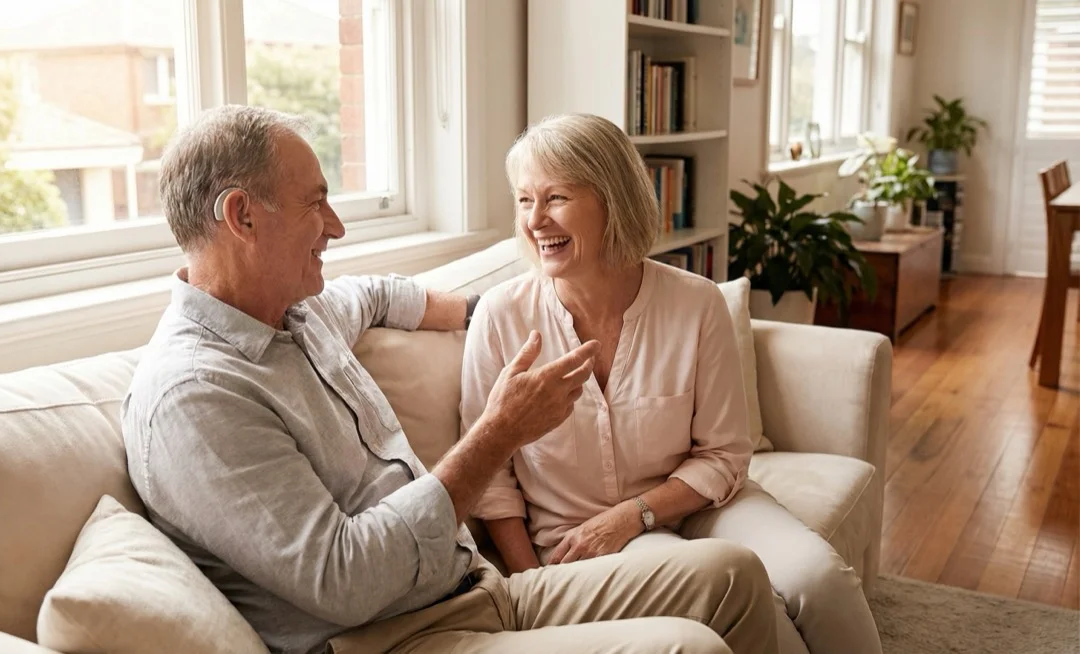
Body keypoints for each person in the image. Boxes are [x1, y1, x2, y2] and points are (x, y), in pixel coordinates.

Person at [120, 105, 779, 654]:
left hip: (475, 590)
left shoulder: (299, 314)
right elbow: (346, 582)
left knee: (734, 575)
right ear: (242, 216)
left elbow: (376, 294)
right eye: (316, 204)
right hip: (398, 637)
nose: (336, 227)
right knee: (691, 648)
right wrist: (498, 432)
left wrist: (484, 312)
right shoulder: (198, 396)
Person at [461, 113, 884, 654]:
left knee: (820, 579)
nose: (535, 220)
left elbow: (725, 455)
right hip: (580, 538)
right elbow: (491, 477)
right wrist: (532, 588)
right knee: (763, 618)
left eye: (556, 198)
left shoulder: (696, 304)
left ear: (614, 199)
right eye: (524, 200)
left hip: (708, 505)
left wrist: (632, 514)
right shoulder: (501, 317)